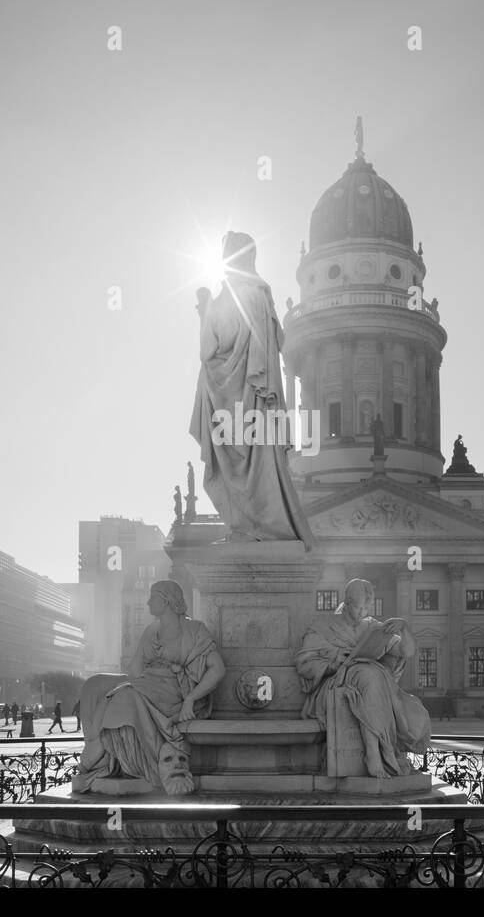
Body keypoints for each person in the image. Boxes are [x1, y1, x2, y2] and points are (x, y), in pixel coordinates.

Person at [188, 231, 314, 546]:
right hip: (255, 403)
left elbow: (208, 350)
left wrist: (205, 310)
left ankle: (244, 524)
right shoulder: (258, 295)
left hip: (229, 403)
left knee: (234, 466)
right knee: (260, 468)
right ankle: (260, 523)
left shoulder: (227, 298)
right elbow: (269, 348)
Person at [73, 580, 226, 795]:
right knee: (95, 684)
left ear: (166, 600)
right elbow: (134, 672)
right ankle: (97, 750)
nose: (147, 603)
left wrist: (191, 698)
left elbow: (217, 670)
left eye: (152, 598)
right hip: (147, 684)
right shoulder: (151, 631)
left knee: (125, 697)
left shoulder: (194, 630)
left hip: (174, 691)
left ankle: (102, 759)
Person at [295, 579, 430, 778]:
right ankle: (373, 752)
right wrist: (334, 663)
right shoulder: (324, 625)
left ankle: (378, 750)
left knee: (371, 673)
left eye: (367, 608)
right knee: (370, 674)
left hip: (371, 679)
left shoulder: (373, 627)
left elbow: (406, 651)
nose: (363, 613)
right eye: (359, 608)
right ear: (346, 603)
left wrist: (404, 627)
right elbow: (304, 663)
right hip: (334, 681)